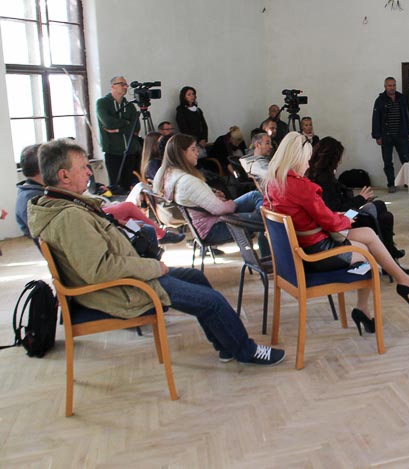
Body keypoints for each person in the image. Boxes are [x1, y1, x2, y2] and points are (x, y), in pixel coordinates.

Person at [27, 138, 284, 365]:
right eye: (83, 167)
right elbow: (100, 269)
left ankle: (227, 346)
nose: (89, 172)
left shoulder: (60, 205)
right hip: (121, 289)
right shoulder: (70, 217)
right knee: (212, 301)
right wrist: (152, 266)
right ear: (64, 176)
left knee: (196, 278)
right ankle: (246, 351)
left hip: (126, 279)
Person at [265, 132, 409, 335]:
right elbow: (330, 220)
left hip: (301, 246)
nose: (308, 164)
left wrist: (341, 216)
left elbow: (314, 215)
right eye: (306, 159)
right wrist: (346, 217)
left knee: (368, 233)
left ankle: (398, 284)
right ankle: (375, 299)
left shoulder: (274, 182)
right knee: (369, 254)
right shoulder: (302, 186)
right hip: (317, 251)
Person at [15, 142, 183, 245]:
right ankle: (157, 235)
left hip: (99, 231)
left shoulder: (40, 194)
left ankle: (152, 236)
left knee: (139, 227)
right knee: (135, 220)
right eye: (83, 167)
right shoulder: (34, 199)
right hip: (101, 242)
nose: (89, 172)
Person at [153, 134, 269, 254]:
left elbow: (197, 199)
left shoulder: (170, 174)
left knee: (254, 197)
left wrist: (211, 194)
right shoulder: (187, 181)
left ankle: (263, 234)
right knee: (268, 219)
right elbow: (220, 209)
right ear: (181, 153)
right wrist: (229, 203)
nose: (197, 152)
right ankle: (268, 253)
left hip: (208, 223)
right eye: (193, 149)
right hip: (214, 228)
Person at [306, 136, 405, 259]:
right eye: (338, 158)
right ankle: (389, 251)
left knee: (382, 211)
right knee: (383, 214)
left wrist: (360, 199)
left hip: (343, 214)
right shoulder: (325, 180)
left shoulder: (317, 174)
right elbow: (337, 208)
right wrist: (360, 199)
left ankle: (389, 251)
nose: (340, 162)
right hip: (344, 217)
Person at [96, 76, 141, 192]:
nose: (125, 87)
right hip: (113, 151)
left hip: (130, 151)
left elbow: (136, 127)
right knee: (115, 187)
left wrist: (118, 130)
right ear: (113, 86)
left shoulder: (130, 106)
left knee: (129, 186)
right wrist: (126, 123)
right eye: (122, 84)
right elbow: (108, 123)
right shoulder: (102, 103)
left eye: (126, 85)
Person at [372, 77, 409, 193]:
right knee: (388, 162)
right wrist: (377, 136)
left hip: (402, 135)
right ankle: (391, 184)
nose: (392, 88)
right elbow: (375, 119)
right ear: (385, 87)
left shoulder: (401, 98)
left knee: (407, 161)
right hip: (386, 136)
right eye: (389, 85)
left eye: (394, 85)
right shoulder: (380, 100)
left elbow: (406, 116)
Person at [175, 86, 209, 156]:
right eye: (189, 94)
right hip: (190, 142)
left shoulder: (198, 110)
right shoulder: (181, 111)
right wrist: (197, 141)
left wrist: (204, 139)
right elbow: (184, 129)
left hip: (201, 142)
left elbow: (204, 125)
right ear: (184, 97)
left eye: (193, 94)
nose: (192, 96)